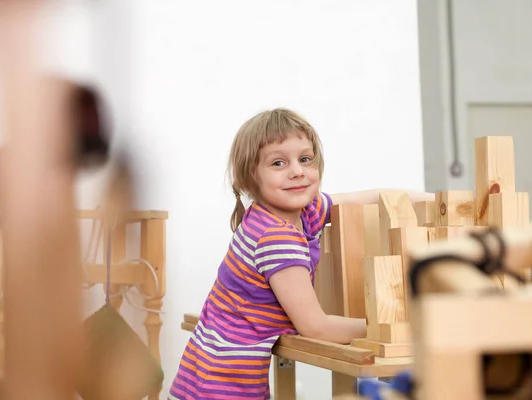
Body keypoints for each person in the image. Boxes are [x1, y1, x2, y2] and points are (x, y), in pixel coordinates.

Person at [168, 108, 433, 400]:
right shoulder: (275, 237)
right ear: (250, 178)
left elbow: (370, 197)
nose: (297, 171)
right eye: (278, 162)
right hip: (219, 389)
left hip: (210, 378)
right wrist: (397, 328)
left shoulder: (303, 211)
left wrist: (432, 200)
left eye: (305, 159)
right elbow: (315, 327)